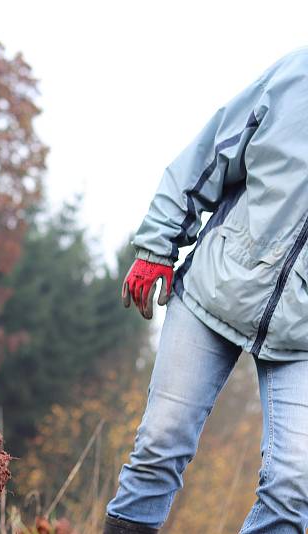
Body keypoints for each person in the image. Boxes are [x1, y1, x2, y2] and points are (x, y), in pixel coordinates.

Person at [105, 48, 308, 534]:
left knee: (294, 484)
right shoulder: (297, 76)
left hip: (302, 336)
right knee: (161, 443)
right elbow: (209, 155)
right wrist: (156, 246)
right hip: (214, 289)